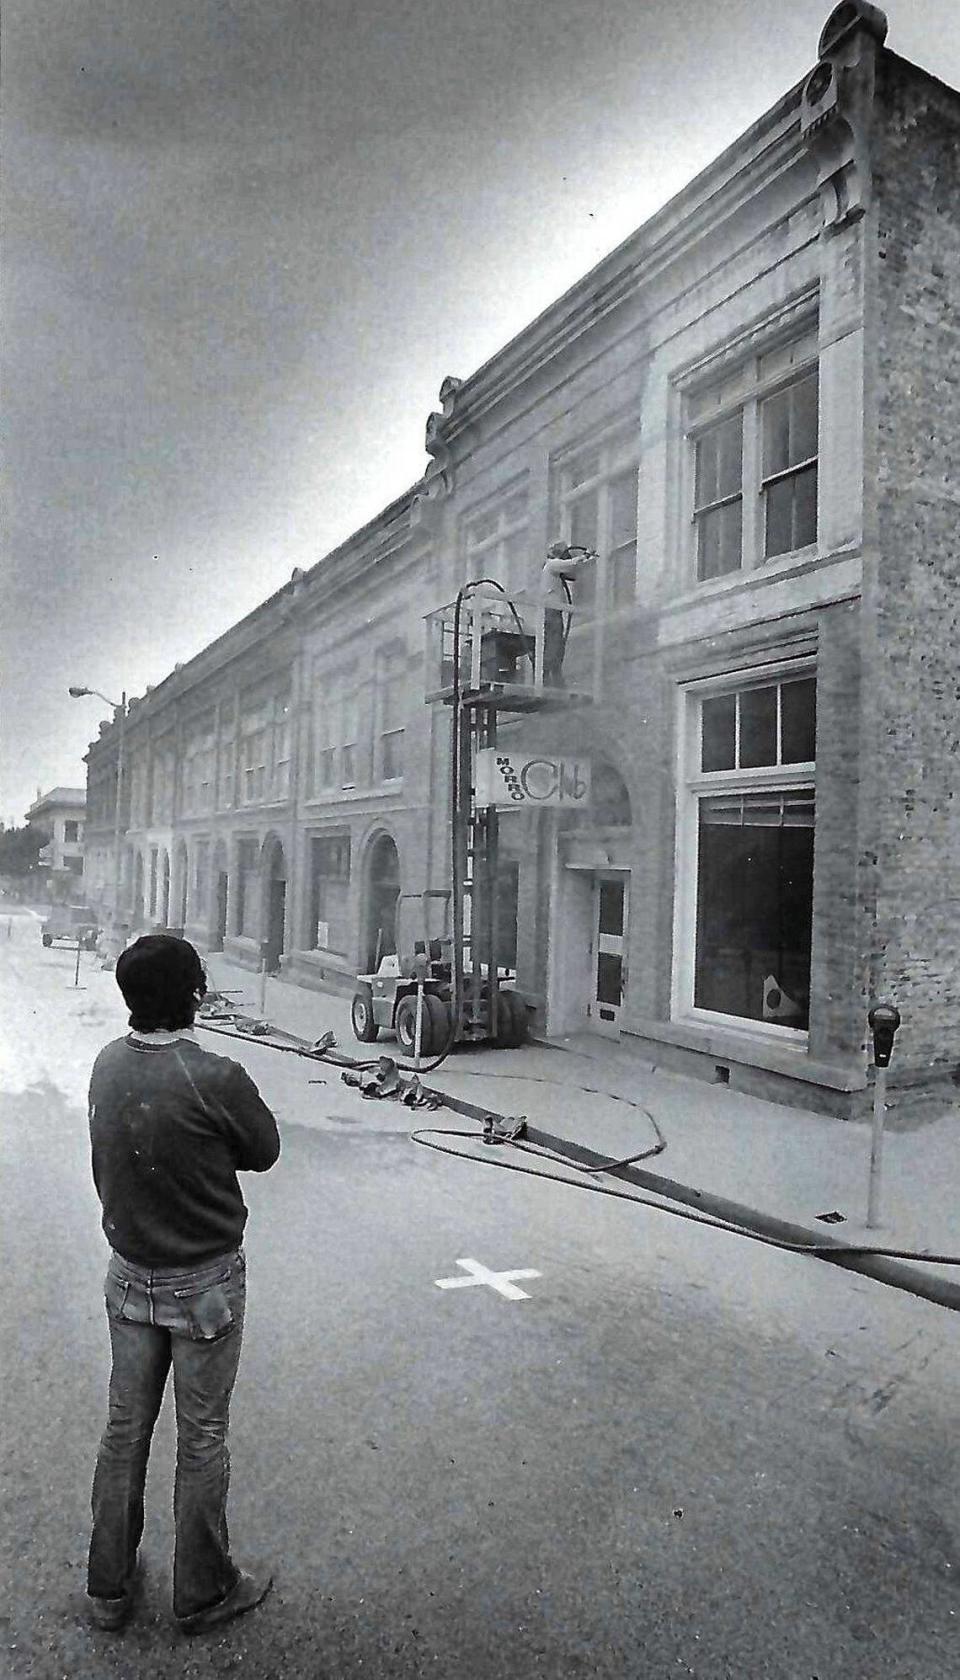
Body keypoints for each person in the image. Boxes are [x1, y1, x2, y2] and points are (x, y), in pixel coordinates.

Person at [85, 934, 281, 1634]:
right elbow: (265, 1149)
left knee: (123, 1431)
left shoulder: (108, 1063)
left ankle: (108, 1588)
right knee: (201, 1439)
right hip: (203, 1283)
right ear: (194, 994)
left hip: (128, 1276)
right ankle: (201, 1591)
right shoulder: (214, 1074)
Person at [539, 542, 593, 685]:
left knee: (556, 643)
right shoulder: (551, 565)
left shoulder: (553, 570)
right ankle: (550, 677)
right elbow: (569, 564)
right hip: (553, 611)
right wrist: (584, 556)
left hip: (553, 611)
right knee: (554, 643)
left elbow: (572, 575)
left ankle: (553, 676)